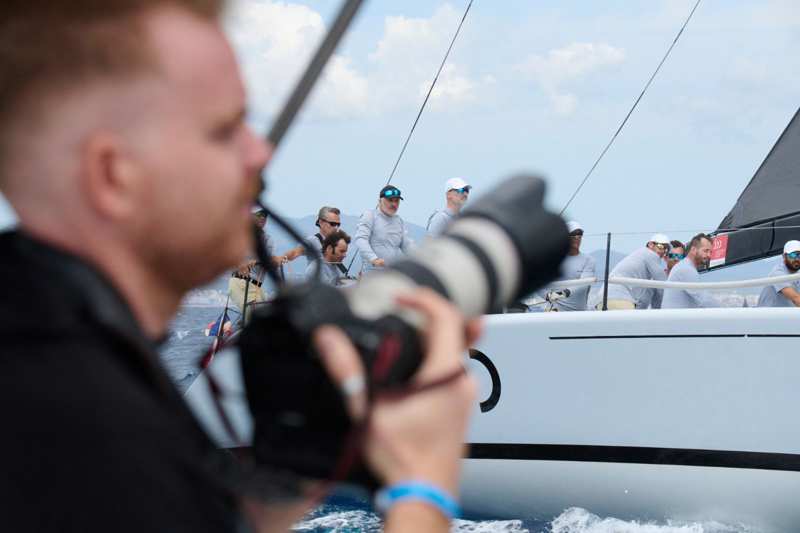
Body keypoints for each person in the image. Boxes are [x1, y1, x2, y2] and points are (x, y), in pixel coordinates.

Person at [0, 3, 478, 532]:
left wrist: (289, 477)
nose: (258, 155)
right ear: (114, 175)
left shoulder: (57, 352)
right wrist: (424, 478)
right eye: (225, 130)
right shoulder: (82, 430)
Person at [229, 206, 286, 313]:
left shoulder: (268, 239)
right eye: (259, 215)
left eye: (265, 216)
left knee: (271, 316)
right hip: (240, 283)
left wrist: (275, 260)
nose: (262, 218)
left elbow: (270, 261)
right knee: (255, 314)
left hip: (256, 287)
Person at [602, 233, 670, 310]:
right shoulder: (650, 254)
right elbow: (663, 285)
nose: (663, 251)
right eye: (661, 247)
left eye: (666, 249)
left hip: (603, 300)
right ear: (651, 244)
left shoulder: (639, 257)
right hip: (620, 299)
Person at [354, 185, 413, 272]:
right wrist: (373, 259)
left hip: (391, 274)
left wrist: (421, 258)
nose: (394, 204)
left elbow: (407, 245)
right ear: (380, 201)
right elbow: (361, 239)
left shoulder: (399, 221)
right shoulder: (370, 215)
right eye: (390, 200)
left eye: (397, 201)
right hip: (371, 273)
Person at [543, 221, 595, 311]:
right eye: (573, 236)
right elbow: (538, 283)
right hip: (555, 311)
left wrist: (564, 293)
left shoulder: (589, 260)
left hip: (579, 313)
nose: (577, 239)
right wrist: (547, 296)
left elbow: (584, 283)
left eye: (579, 236)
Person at [662, 233, 719, 309]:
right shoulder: (686, 269)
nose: (709, 255)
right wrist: (729, 313)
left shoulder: (685, 266)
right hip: (676, 319)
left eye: (710, 252)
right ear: (693, 250)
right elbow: (705, 300)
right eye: (706, 251)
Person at [757, 240, 800, 307]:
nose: (797, 259)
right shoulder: (778, 273)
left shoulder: (797, 273)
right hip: (768, 315)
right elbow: (795, 298)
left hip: (785, 315)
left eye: (799, 255)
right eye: (793, 255)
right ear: (784, 256)